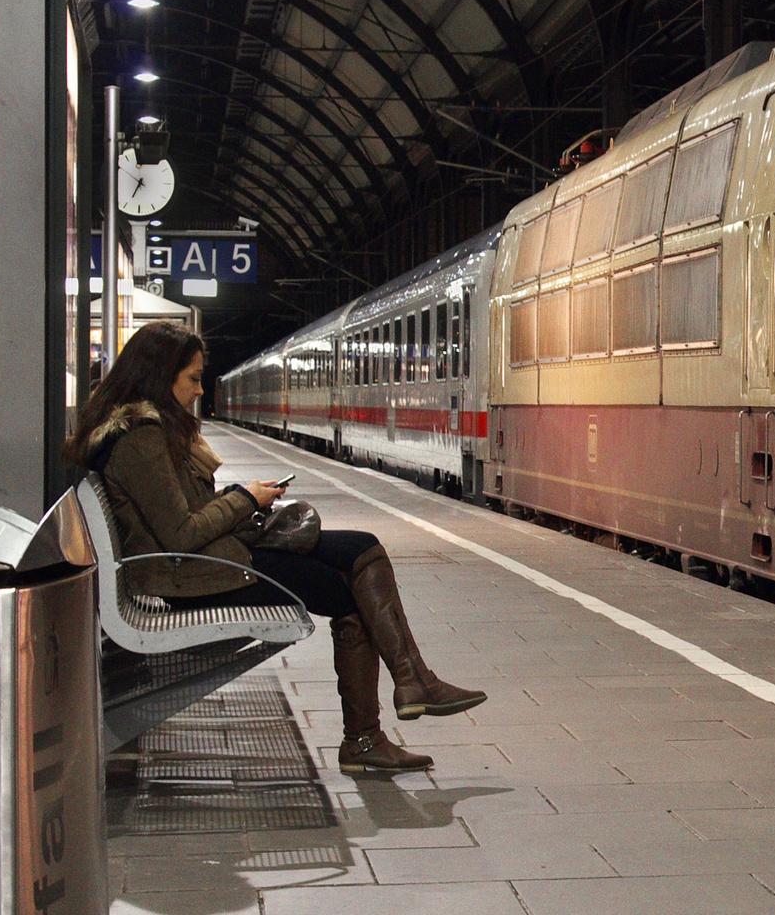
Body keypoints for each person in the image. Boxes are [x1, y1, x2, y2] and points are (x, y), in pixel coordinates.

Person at [66, 320, 484, 773]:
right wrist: (247, 499)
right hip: (197, 574)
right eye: (192, 378)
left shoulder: (147, 432)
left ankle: (410, 683)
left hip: (207, 561)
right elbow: (181, 533)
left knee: (364, 548)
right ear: (158, 375)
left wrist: (242, 498)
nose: (200, 389)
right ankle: (370, 734)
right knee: (347, 594)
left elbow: (181, 516)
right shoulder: (140, 439)